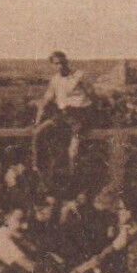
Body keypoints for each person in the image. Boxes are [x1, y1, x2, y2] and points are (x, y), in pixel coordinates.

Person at [33, 51, 96, 191]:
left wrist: (93, 115)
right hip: (63, 115)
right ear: (52, 65)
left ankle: (73, 184)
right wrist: (37, 120)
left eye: (62, 63)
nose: (60, 66)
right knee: (39, 132)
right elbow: (45, 100)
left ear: (67, 62)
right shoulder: (55, 80)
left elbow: (92, 95)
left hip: (80, 115)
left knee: (73, 151)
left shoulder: (78, 75)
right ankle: (37, 168)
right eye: (56, 64)